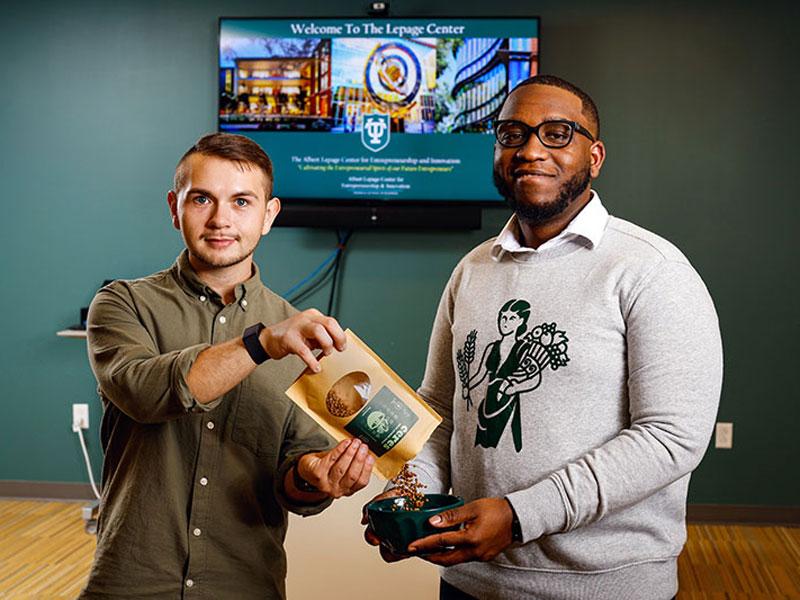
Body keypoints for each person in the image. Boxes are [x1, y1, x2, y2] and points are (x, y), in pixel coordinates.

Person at [364, 75, 723, 600]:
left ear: (594, 156)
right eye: (512, 133)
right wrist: (412, 493)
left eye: (557, 133)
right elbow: (440, 409)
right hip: (467, 582)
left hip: (604, 587)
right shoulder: (472, 270)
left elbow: (671, 438)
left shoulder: (652, 270)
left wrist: (518, 516)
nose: (530, 149)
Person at [81, 133, 374, 599]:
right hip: (131, 581)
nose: (221, 219)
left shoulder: (305, 341)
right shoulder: (122, 304)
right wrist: (259, 344)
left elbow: (294, 482)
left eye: (241, 201)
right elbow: (144, 392)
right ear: (175, 208)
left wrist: (315, 477)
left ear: (269, 215)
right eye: (202, 199)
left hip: (245, 585)